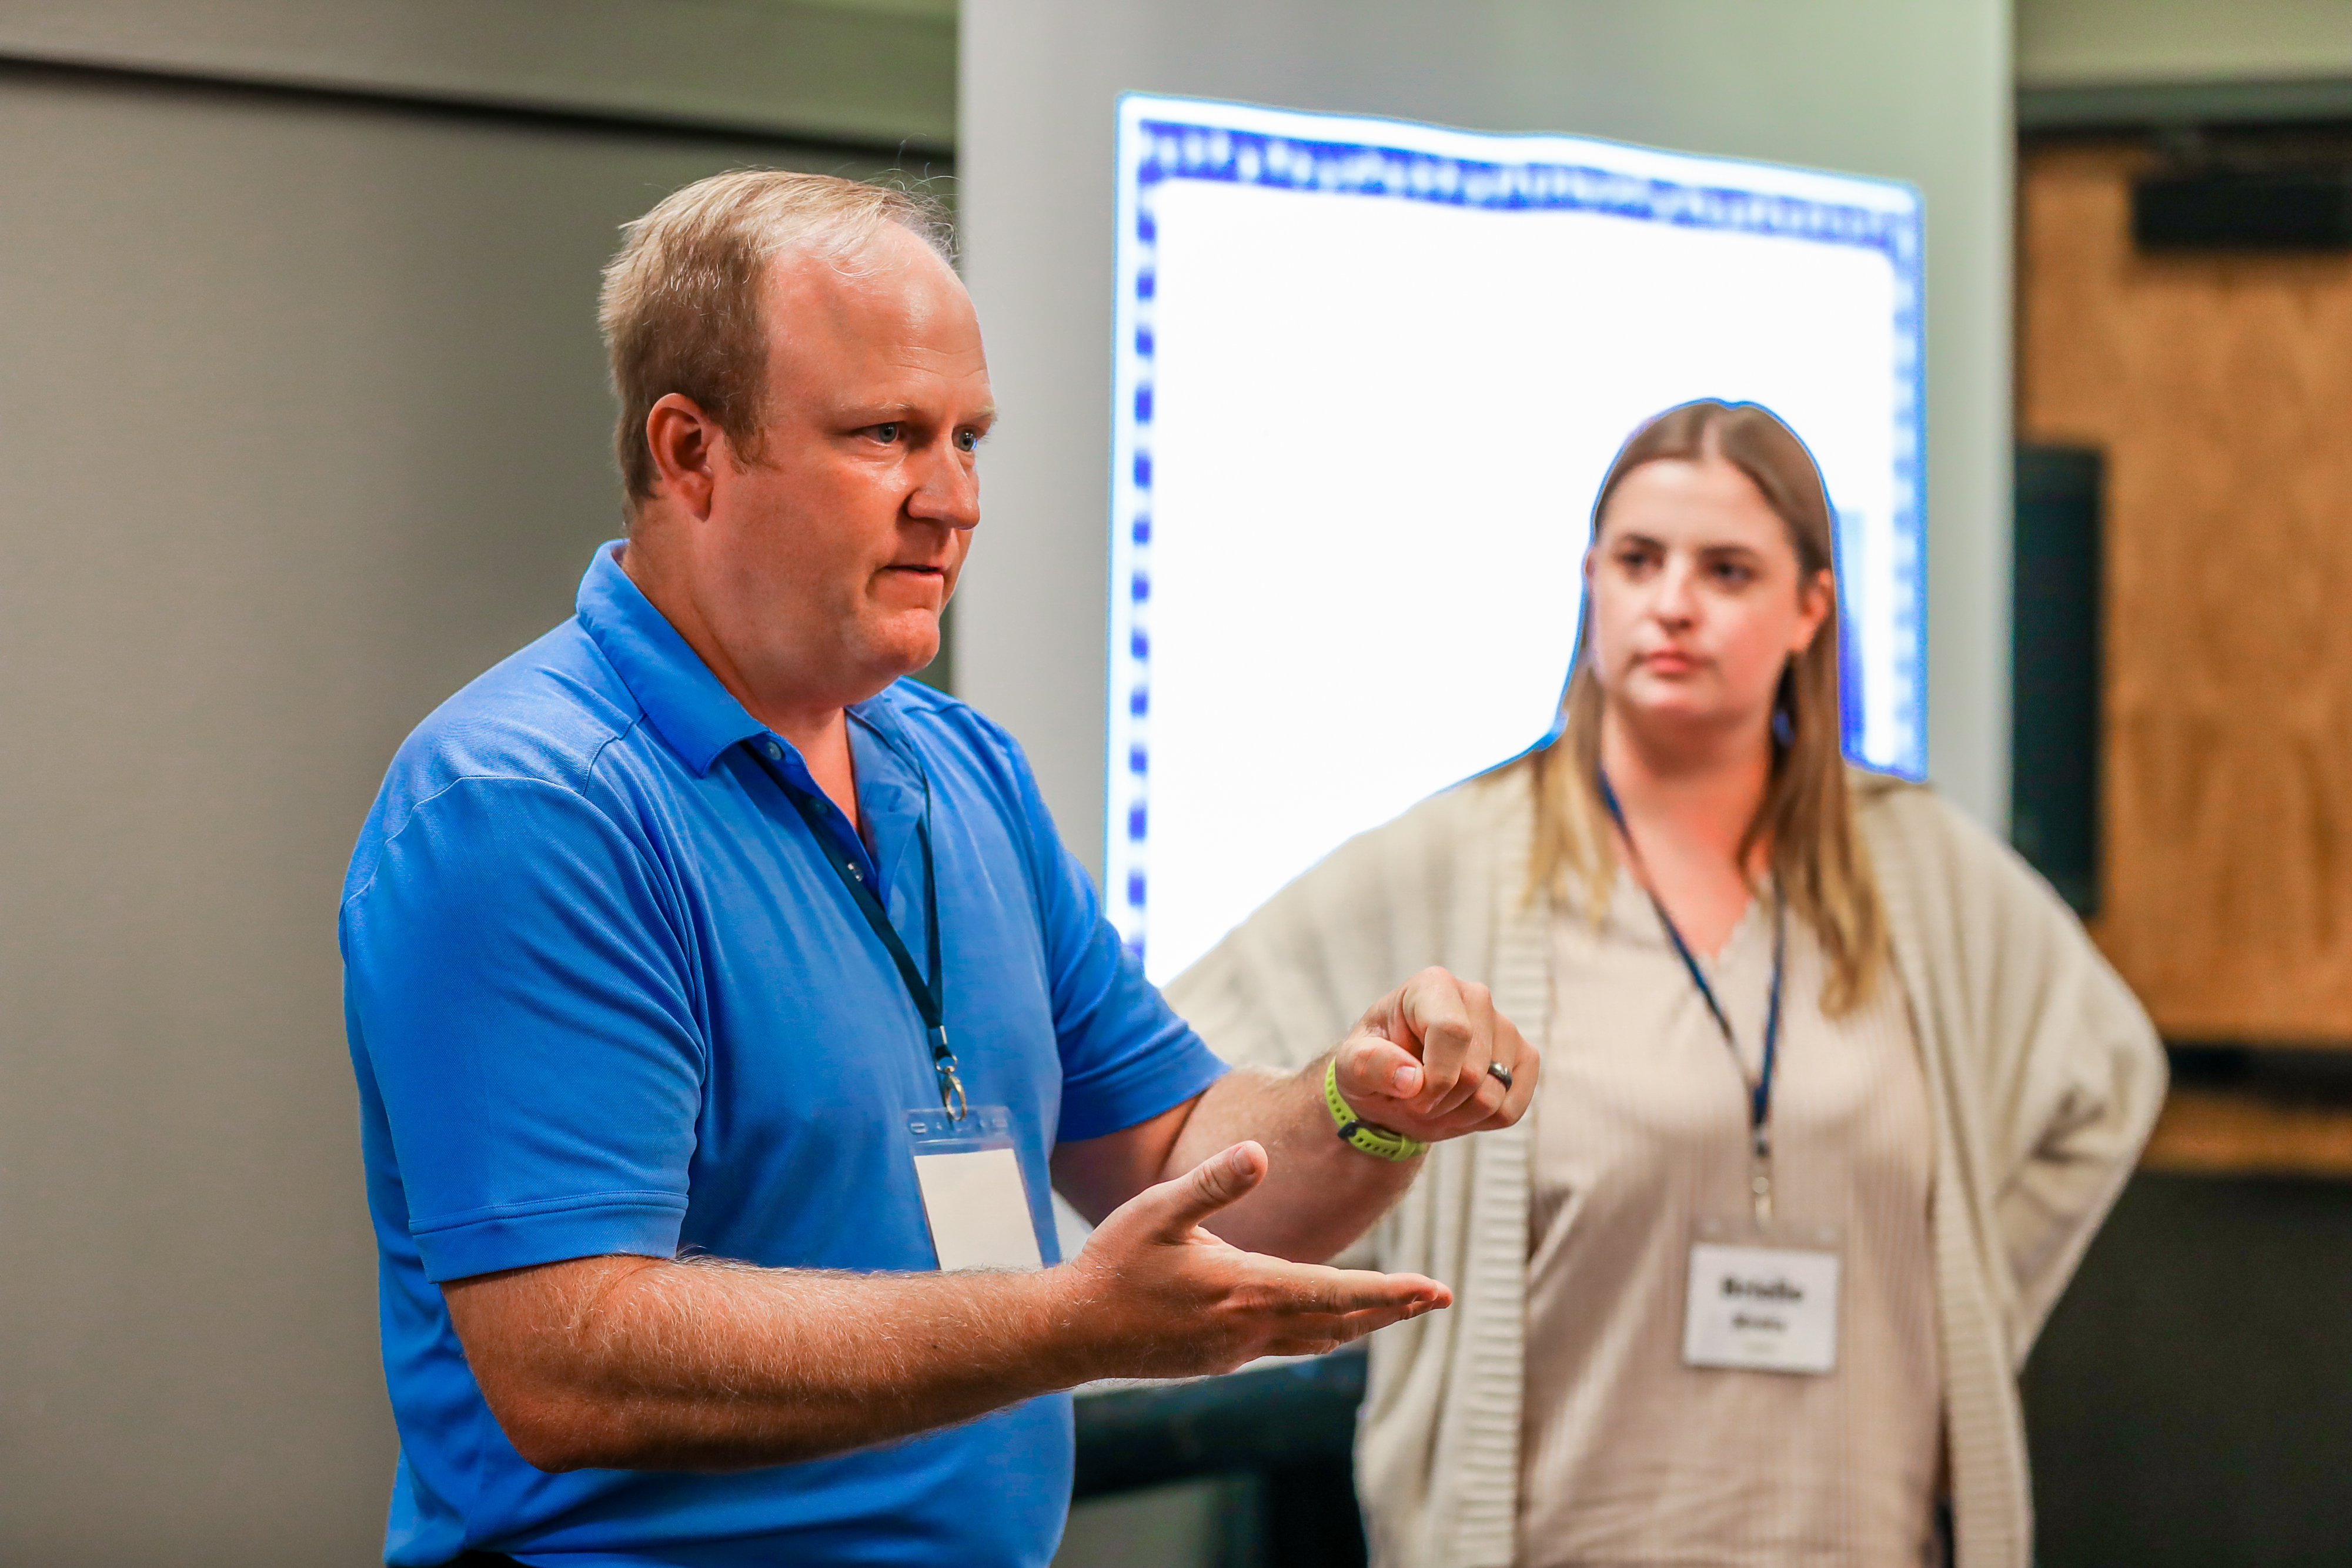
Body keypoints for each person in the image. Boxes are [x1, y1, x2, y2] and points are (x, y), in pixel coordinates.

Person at [338, 170, 1538, 1568]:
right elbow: (570, 1355)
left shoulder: (960, 773)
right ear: (690, 452)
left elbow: (1175, 1159)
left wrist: (1369, 1101)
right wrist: (1057, 1322)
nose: (952, 499)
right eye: (885, 436)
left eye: (968, 436)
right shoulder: (527, 803)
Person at [1167, 400, 2166, 1568]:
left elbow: (2106, 1078)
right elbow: (1168, 1102)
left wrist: (1958, 1295)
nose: (1671, 601)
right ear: (1591, 580)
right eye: (1637, 560)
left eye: (1726, 569)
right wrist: (1346, 1193)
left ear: (1808, 608)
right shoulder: (1449, 858)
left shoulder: (1920, 865)